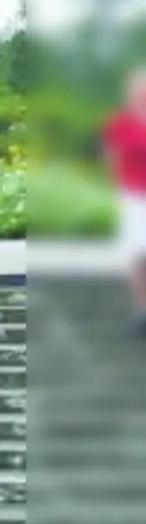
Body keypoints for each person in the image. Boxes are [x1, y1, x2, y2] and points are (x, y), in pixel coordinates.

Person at [104, 69, 146, 334]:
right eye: (138, 89)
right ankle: (142, 311)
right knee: (137, 255)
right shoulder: (119, 123)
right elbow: (112, 158)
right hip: (133, 197)